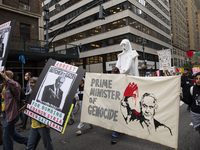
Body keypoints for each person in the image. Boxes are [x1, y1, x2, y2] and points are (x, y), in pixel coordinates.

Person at [20, 77, 54, 150]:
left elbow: (49, 108)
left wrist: (50, 121)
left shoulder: (44, 94)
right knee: (30, 146)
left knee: (48, 145)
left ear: (38, 83)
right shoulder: (30, 94)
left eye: (33, 82)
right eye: (30, 83)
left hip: (43, 124)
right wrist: (25, 107)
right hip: (34, 124)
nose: (31, 84)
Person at [0, 70, 28, 150]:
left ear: (10, 77)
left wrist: (5, 76)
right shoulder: (4, 86)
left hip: (12, 114)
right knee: (11, 133)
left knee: (6, 135)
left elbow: (14, 84)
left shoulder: (15, 85)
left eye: (5, 75)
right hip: (6, 113)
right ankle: (28, 141)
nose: (3, 77)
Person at [110, 67, 120, 144]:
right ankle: (116, 132)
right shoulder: (110, 79)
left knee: (116, 118)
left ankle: (115, 135)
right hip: (112, 102)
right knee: (115, 118)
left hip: (119, 102)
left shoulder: (122, 79)